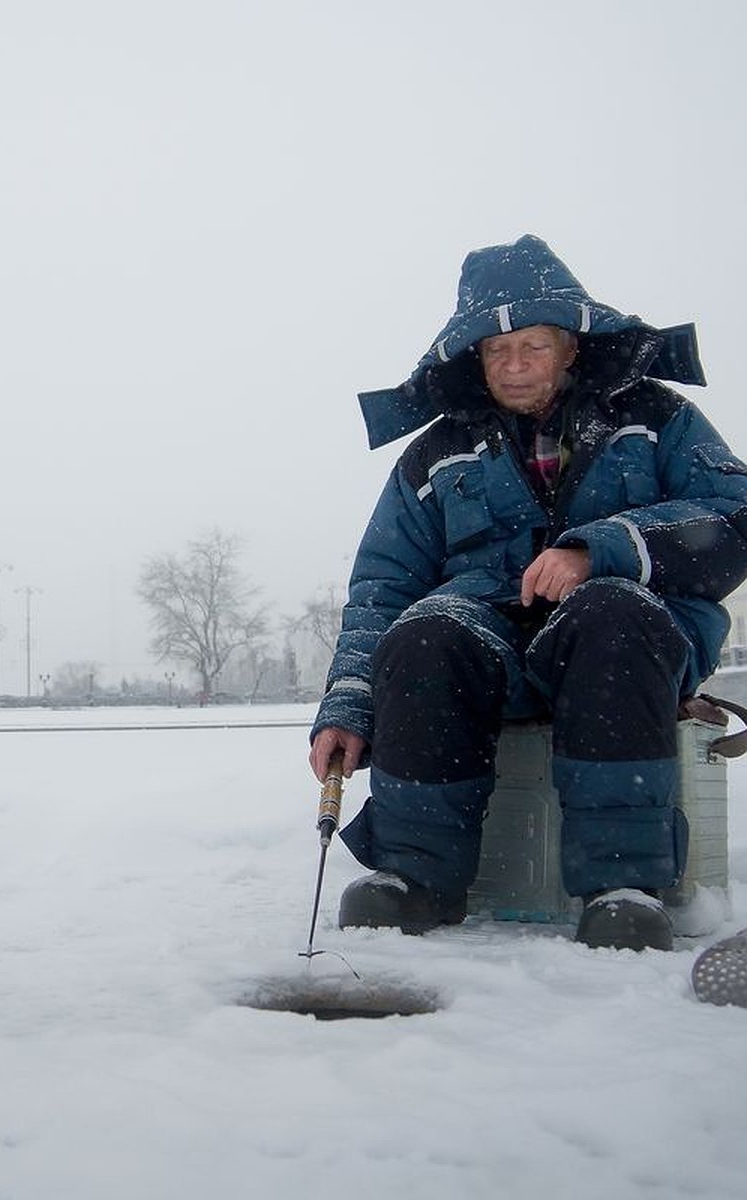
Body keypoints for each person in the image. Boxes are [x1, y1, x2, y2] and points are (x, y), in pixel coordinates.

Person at [309, 234, 747, 952]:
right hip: (494, 653)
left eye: (534, 346)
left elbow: (733, 515)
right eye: (494, 350)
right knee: (425, 631)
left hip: (630, 640)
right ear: (473, 359)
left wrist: (599, 550)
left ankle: (622, 885)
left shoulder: (658, 418)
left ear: (573, 345)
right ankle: (414, 877)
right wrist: (350, 704)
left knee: (611, 611)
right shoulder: (433, 454)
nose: (513, 366)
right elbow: (383, 585)